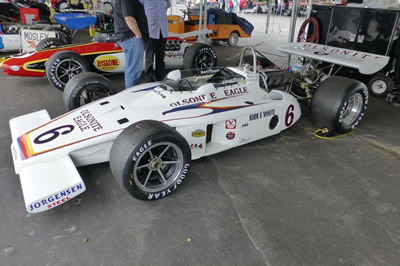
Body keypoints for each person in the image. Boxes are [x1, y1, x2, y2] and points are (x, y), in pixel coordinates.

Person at [114, 0, 148, 88]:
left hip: (130, 37)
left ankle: (131, 94)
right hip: (131, 37)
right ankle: (131, 96)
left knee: (132, 69)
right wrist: (138, 35)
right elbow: (129, 18)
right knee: (134, 71)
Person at [141, 0, 171, 82]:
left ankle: (161, 78)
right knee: (149, 59)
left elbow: (166, 8)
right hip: (150, 31)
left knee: (160, 58)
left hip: (162, 31)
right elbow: (140, 9)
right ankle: (149, 80)